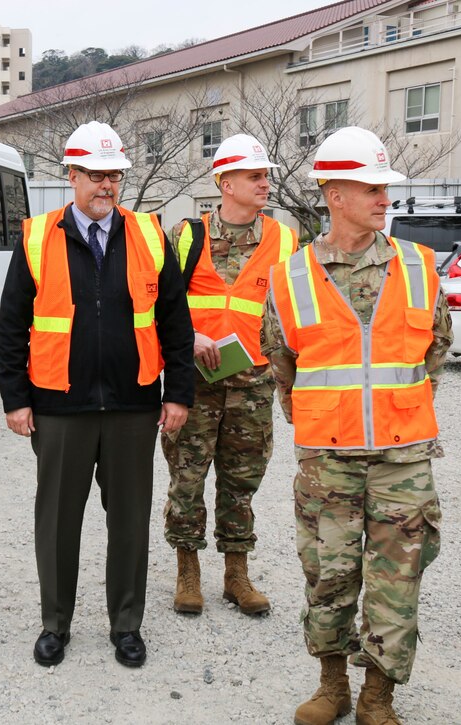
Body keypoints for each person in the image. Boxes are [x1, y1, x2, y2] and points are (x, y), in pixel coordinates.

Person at [261, 126, 450, 725]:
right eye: (371, 188)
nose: (384, 199)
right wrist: (321, 418)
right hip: (326, 460)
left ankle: (378, 696)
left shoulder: (419, 266)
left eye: (385, 188)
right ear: (334, 194)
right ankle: (332, 685)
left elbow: (435, 351)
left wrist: (398, 410)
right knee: (327, 577)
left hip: (403, 460)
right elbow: (281, 362)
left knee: (396, 585)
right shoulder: (292, 277)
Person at [0, 121, 195, 668]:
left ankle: (126, 625)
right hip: (60, 405)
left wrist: (177, 393)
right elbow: (11, 325)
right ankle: (54, 625)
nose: (105, 185)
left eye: (113, 175)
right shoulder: (37, 236)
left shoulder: (150, 235)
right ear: (72, 175)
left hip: (134, 405)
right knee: (57, 522)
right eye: (95, 174)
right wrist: (15, 399)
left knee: (130, 521)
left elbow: (176, 323)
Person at [161, 134, 297, 616]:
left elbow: (293, 310)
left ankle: (236, 575)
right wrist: (188, 336)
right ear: (225, 182)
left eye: (265, 176)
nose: (264, 184)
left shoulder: (284, 239)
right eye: (255, 176)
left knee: (242, 482)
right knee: (187, 478)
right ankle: (187, 572)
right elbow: (161, 303)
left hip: (253, 384)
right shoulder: (185, 236)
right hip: (193, 384)